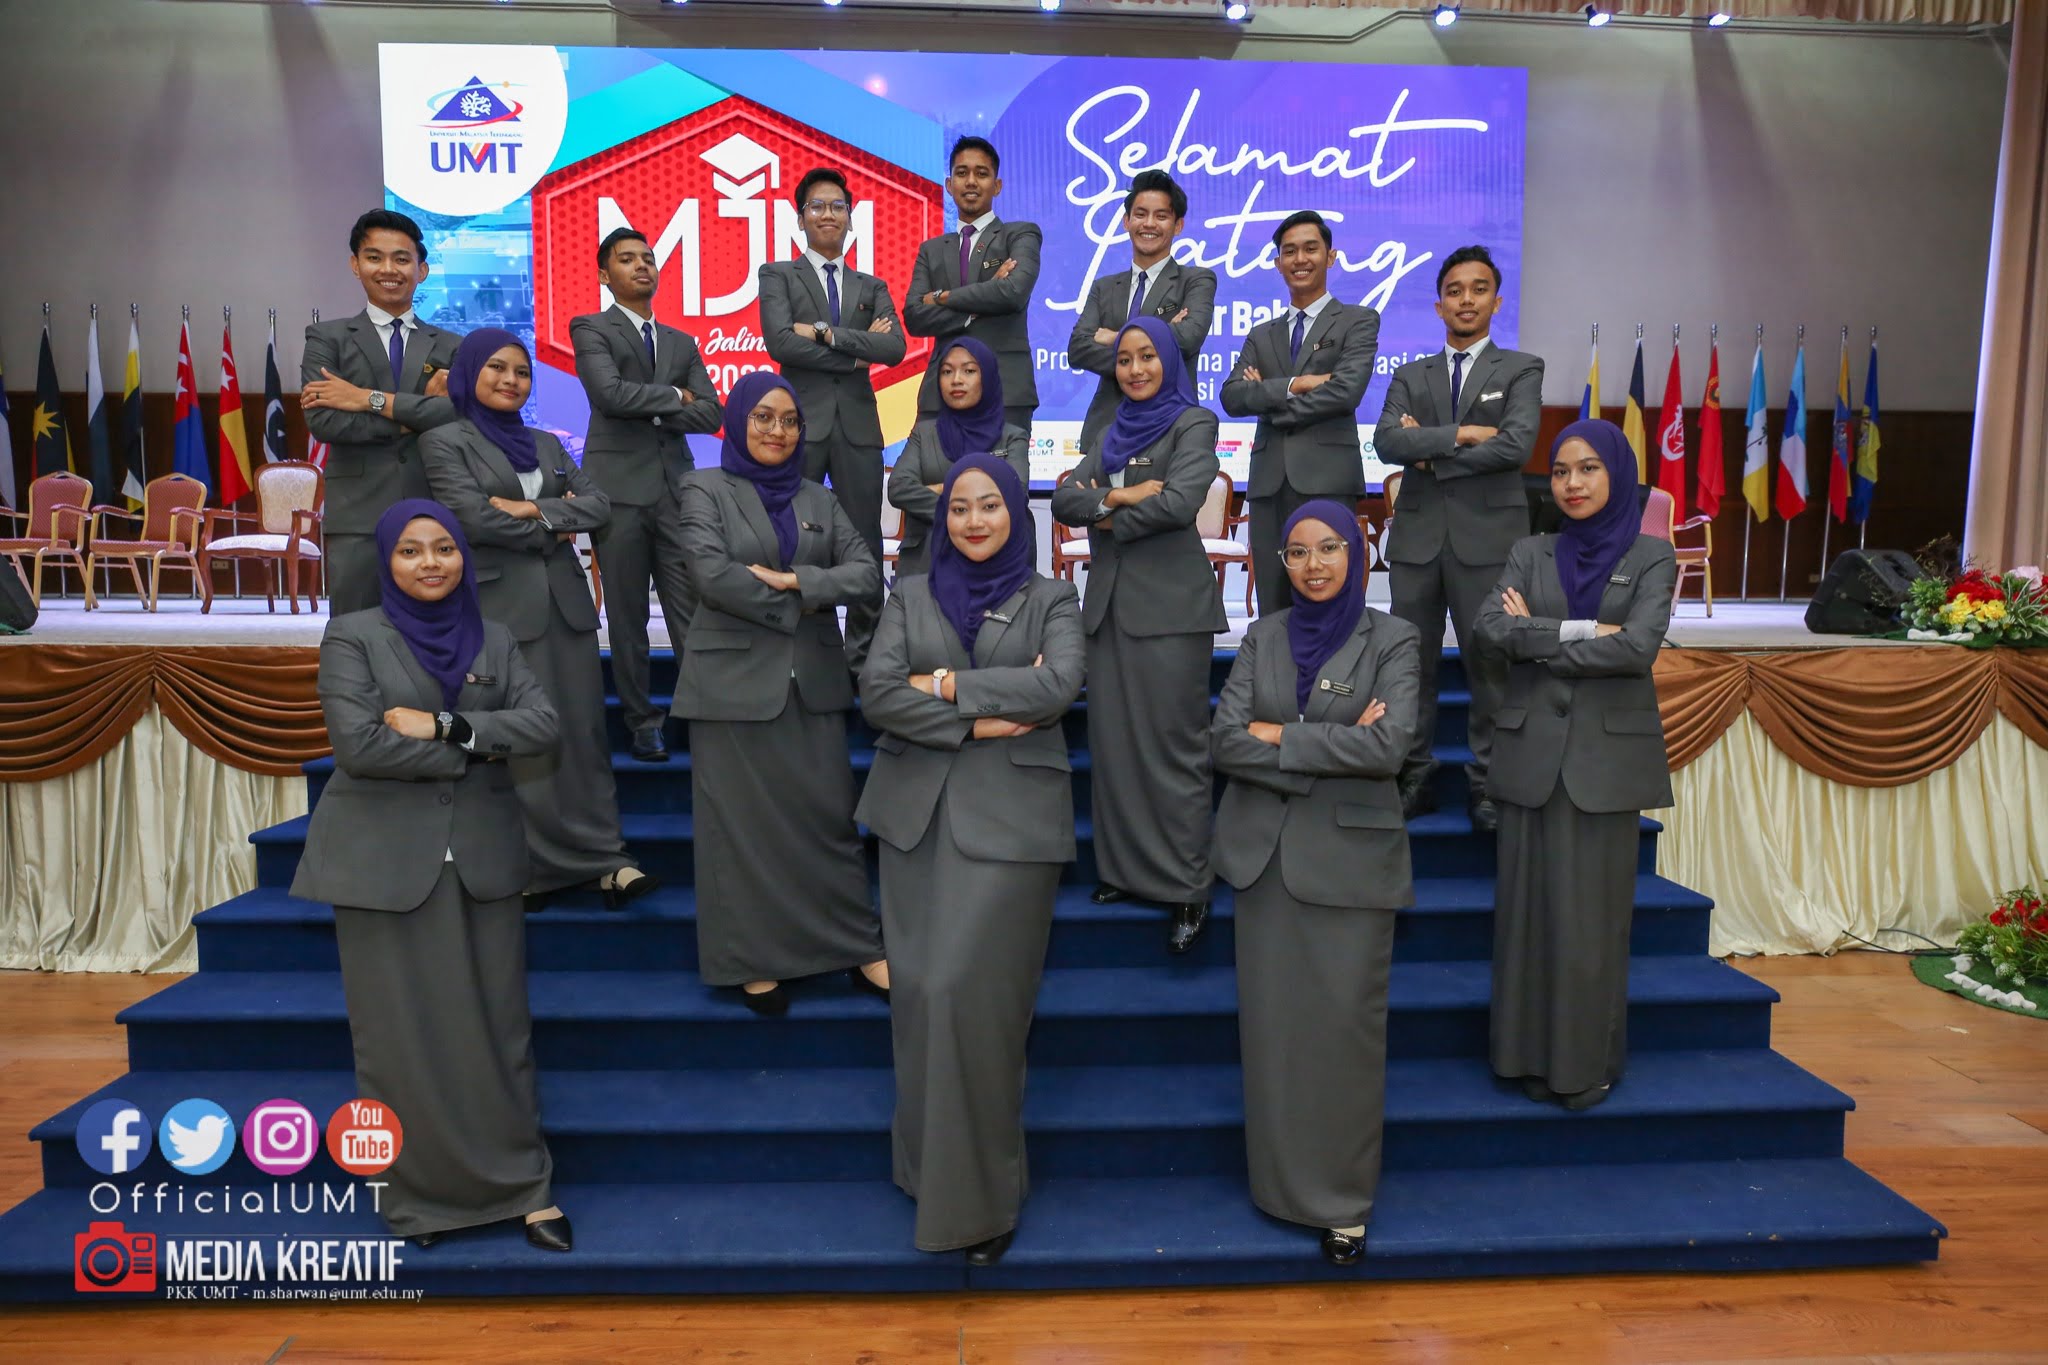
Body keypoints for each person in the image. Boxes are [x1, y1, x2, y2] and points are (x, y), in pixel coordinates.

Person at [291, 500, 570, 1253]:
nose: (430, 563)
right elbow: (359, 747)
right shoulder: (352, 635)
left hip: (483, 857)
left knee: (498, 1030)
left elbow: (544, 725)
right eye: (411, 550)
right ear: (387, 560)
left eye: (444, 548)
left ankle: (525, 1188)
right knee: (398, 1040)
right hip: (380, 863)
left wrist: (446, 725)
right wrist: (480, 750)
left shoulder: (495, 637)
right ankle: (420, 1200)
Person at [857, 452, 1085, 1268]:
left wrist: (945, 684)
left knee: (972, 1003)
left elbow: (1057, 686)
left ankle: (980, 1203)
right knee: (921, 1001)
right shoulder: (910, 593)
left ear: (1016, 512)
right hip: (913, 821)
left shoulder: (1053, 596)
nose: (975, 520)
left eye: (990, 505)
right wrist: (981, 714)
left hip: (1013, 825)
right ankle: (930, 1172)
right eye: (960, 507)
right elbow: (878, 692)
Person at [1211, 500, 1420, 1267]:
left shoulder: (1394, 638)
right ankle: (1278, 1185)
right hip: (1263, 861)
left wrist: (1280, 736)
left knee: (1342, 1035)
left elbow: (1389, 746)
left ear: (1356, 551)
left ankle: (1341, 1202)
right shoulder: (1262, 635)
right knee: (1274, 1034)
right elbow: (1225, 741)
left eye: (1329, 548)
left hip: (1351, 866)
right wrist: (1332, 744)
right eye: (1297, 552)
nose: (1313, 565)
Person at [1473, 419, 1676, 1113]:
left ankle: (1584, 1066)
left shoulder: (1652, 556)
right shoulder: (1530, 550)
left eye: (1588, 468)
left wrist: (1538, 637)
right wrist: (1588, 631)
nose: (1572, 483)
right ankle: (1523, 1057)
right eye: (1560, 471)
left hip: (1604, 764)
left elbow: (1639, 647)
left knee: (1591, 925)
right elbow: (1492, 630)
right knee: (1525, 921)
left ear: (1617, 473)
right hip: (1530, 756)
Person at [420, 329, 657, 912]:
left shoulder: (546, 443)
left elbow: (598, 506)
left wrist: (530, 509)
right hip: (499, 610)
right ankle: (530, 867)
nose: (511, 380)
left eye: (521, 372)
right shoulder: (445, 441)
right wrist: (555, 522)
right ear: (469, 373)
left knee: (582, 735)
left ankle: (605, 858)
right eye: (497, 368)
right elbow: (472, 519)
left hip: (566, 609)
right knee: (518, 737)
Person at [673, 372, 888, 1014]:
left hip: (813, 683)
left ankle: (854, 945)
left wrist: (799, 583)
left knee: (829, 822)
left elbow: (866, 573)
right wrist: (805, 601)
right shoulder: (702, 487)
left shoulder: (819, 496)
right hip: (729, 687)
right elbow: (712, 575)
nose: (777, 430)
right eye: (763, 417)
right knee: (739, 831)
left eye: (790, 420)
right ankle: (753, 959)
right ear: (739, 421)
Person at [1048, 316, 1225, 953]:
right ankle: (1128, 871)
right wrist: (1121, 499)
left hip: (1171, 609)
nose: (1135, 369)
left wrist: (1103, 508)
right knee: (1116, 745)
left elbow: (1178, 504)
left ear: (1170, 360)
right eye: (1125, 359)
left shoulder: (1194, 423)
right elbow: (1064, 500)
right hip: (1109, 609)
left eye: (1148, 356)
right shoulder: (1110, 429)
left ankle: (1186, 883)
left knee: (1174, 747)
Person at [1373, 244, 1544, 832]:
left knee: (1491, 665)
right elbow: (1388, 443)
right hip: (1417, 542)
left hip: (1489, 542)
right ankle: (1412, 776)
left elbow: (1515, 447)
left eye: (1478, 289)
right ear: (1439, 305)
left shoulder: (1520, 368)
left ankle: (1489, 785)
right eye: (1454, 290)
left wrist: (1429, 450)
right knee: (1408, 665)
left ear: (1496, 301)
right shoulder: (1409, 374)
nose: (1465, 299)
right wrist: (1466, 435)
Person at [570, 226, 724, 762]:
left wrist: (656, 406)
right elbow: (610, 395)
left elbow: (712, 413)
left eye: (649, 258)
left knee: (690, 611)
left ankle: (700, 713)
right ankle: (642, 721)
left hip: (677, 492)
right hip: (618, 493)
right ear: (604, 274)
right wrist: (676, 397)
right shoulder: (590, 327)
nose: (642, 266)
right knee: (628, 616)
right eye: (627, 259)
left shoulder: (682, 341)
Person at [758, 167, 906, 669]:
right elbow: (781, 342)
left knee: (864, 540)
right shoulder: (778, 275)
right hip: (796, 427)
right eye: (817, 206)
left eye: (837, 206)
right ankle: (800, 653)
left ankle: (865, 660)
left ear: (850, 217)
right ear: (801, 218)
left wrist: (823, 333)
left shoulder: (871, 284)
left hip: (858, 429)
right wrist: (856, 356)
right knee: (795, 535)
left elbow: (894, 348)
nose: (828, 214)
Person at [300, 209, 464, 614]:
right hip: (357, 514)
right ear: (355, 265)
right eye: (374, 257)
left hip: (434, 506)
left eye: (401, 259)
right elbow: (325, 421)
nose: (388, 269)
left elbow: (457, 418)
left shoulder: (452, 346)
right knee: (353, 629)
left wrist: (364, 399)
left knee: (430, 628)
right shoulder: (327, 338)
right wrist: (417, 417)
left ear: (421, 270)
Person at [1220, 211, 1380, 616]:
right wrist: (1295, 385)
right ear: (1278, 263)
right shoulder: (1262, 334)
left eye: (1311, 248)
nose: (1300, 259)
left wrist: (1269, 400)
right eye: (1289, 251)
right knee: (1273, 604)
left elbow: (1345, 392)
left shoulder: (1358, 321)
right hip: (1268, 484)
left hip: (1328, 478)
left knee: (1330, 601)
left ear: (1331, 256)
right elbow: (1233, 397)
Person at [1065, 170, 1217, 456]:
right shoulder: (1104, 287)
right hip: (1106, 432)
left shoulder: (1196, 280)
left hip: (1168, 430)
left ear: (1178, 225)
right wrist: (1161, 339)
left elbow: (1188, 338)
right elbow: (1077, 349)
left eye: (1161, 216)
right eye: (1140, 214)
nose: (1149, 224)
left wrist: (1115, 338)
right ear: (1127, 221)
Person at [904, 136, 1043, 433]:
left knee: (1001, 468)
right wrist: (980, 301)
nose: (970, 181)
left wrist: (941, 297)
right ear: (949, 184)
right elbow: (914, 317)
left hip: (1006, 392)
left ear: (997, 185)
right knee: (926, 466)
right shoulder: (931, 250)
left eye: (981, 174)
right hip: (939, 395)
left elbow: (1012, 293)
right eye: (962, 173)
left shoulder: (1020, 235)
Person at [887, 338, 1032, 577]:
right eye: (947, 371)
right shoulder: (924, 433)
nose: (956, 379)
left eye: (969, 371)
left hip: (996, 562)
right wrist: (977, 502)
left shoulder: (1012, 437)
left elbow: (1015, 493)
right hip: (927, 561)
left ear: (988, 378)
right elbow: (898, 489)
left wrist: (943, 490)